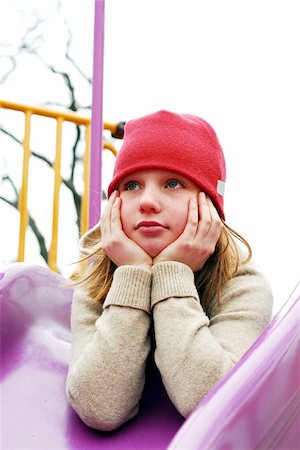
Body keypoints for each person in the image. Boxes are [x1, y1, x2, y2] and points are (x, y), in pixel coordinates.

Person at [66, 110, 273, 432]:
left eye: (173, 183)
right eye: (132, 185)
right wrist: (133, 273)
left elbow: (209, 401)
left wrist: (172, 273)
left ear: (209, 205)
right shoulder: (96, 285)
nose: (147, 201)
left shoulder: (242, 284)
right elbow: (100, 407)